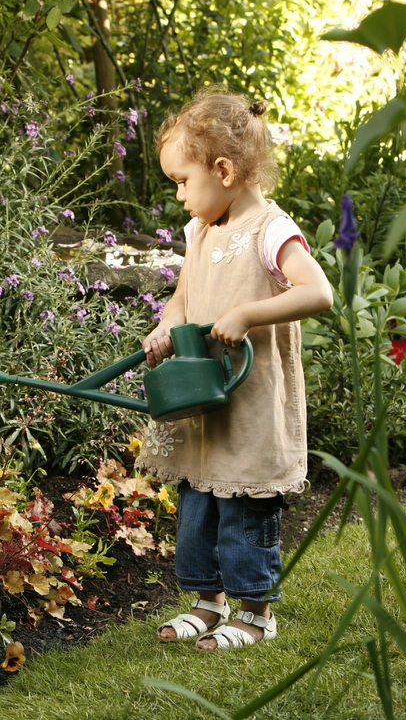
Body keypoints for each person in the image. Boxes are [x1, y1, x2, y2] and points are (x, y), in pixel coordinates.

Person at [137, 88, 333, 651]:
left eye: (181, 181)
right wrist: (163, 329)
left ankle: (255, 611)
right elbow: (183, 296)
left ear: (223, 170)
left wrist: (247, 313)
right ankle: (207, 601)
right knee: (199, 504)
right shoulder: (200, 230)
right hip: (203, 400)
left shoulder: (270, 230)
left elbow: (318, 292)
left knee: (245, 509)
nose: (177, 195)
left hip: (250, 402)